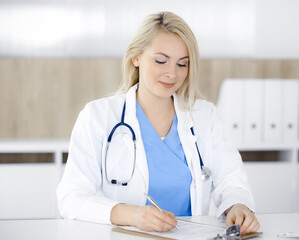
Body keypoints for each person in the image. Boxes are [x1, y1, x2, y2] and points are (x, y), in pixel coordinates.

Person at [57, 11, 260, 234]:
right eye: (161, 61)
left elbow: (230, 179)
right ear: (136, 57)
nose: (172, 74)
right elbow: (71, 197)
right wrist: (131, 215)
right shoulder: (98, 116)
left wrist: (238, 205)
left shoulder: (205, 115)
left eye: (182, 64)